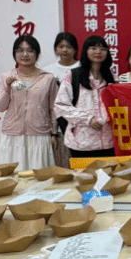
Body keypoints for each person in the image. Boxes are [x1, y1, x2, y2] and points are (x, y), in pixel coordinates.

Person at [0, 35, 60, 171]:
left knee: (39, 176)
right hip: (13, 136)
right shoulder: (7, 77)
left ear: (37, 54)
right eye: (20, 50)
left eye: (30, 50)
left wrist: (54, 133)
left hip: (39, 135)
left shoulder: (48, 78)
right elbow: (0, 107)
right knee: (13, 176)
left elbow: (54, 108)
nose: (25, 54)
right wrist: (7, 89)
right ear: (14, 54)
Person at [54, 35, 116, 159]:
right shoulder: (74, 75)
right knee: (83, 172)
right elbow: (61, 105)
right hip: (81, 143)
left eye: (103, 49)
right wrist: (88, 119)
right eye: (93, 48)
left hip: (108, 142)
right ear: (85, 51)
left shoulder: (111, 77)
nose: (98, 52)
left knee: (108, 171)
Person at [42, 32, 80, 167]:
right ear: (55, 49)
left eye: (69, 47)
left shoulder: (82, 67)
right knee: (61, 165)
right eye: (61, 46)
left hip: (80, 124)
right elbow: (46, 100)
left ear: (75, 49)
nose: (64, 50)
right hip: (57, 127)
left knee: (80, 165)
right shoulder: (48, 70)